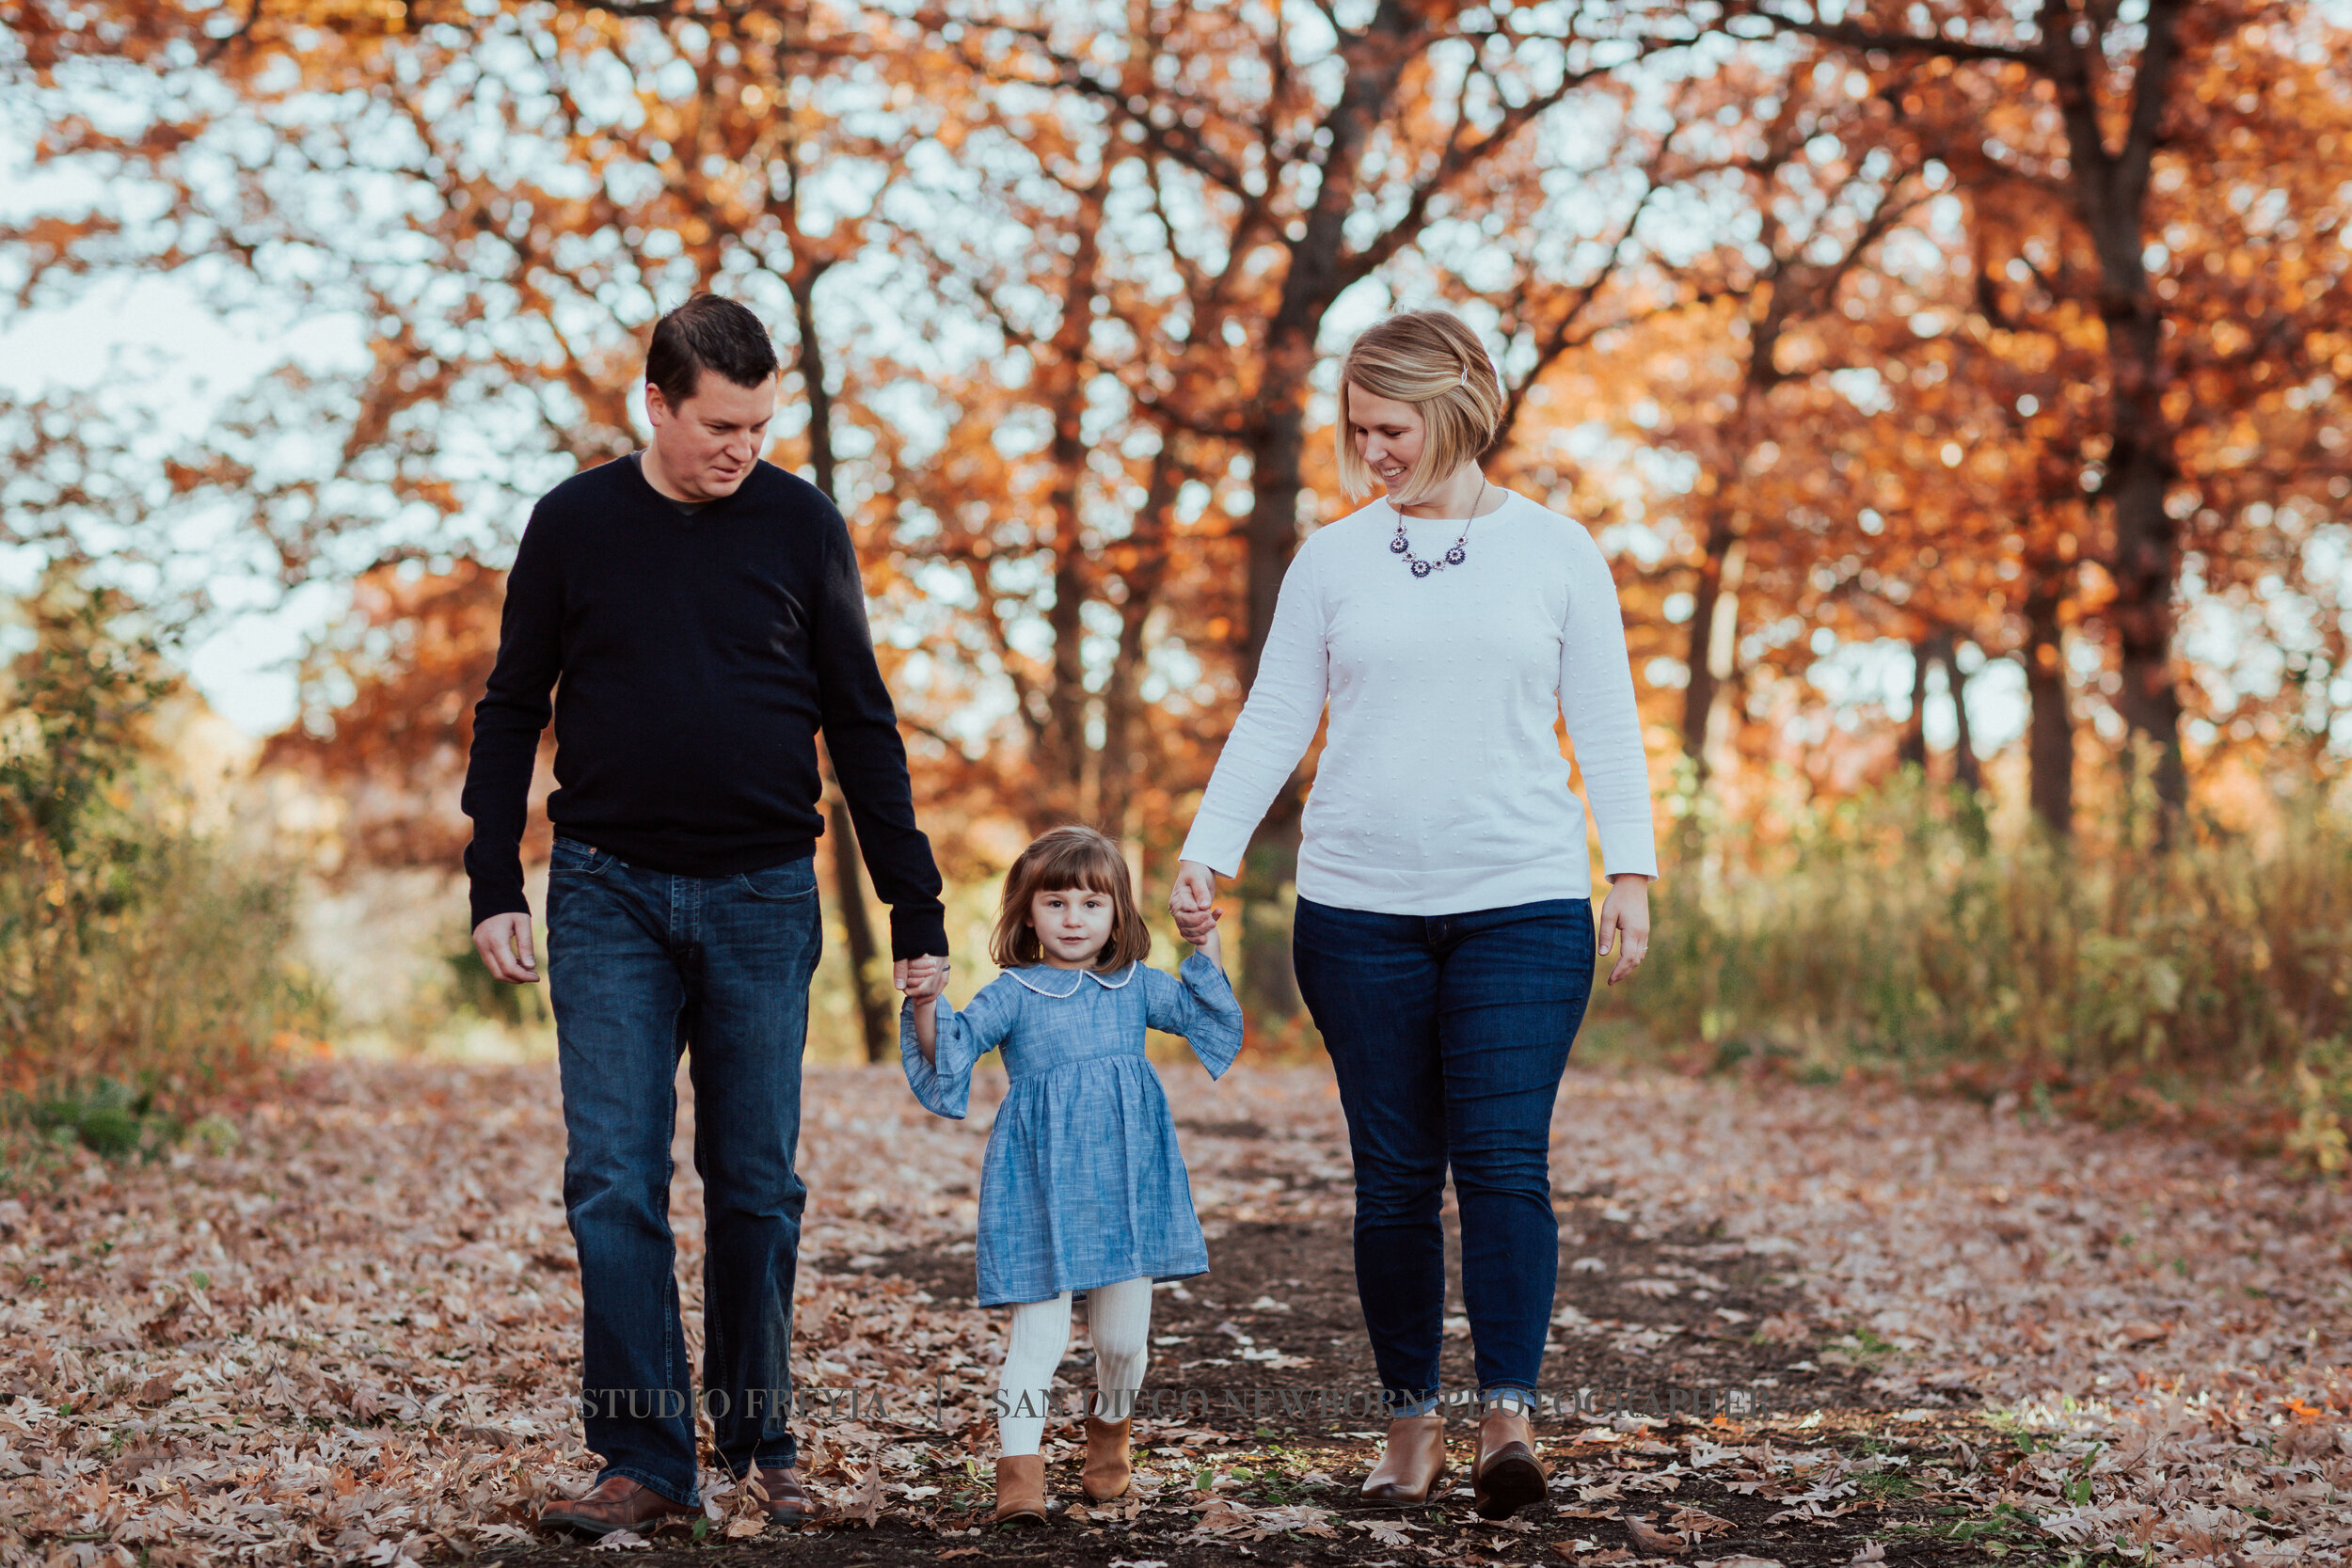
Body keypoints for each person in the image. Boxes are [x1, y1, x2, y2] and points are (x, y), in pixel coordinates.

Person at [460, 293, 952, 1537]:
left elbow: (862, 718)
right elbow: (512, 703)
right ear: (658, 405)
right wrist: (493, 878)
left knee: (754, 1183)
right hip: (605, 886)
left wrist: (916, 903)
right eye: (722, 424)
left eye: (761, 424)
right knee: (612, 1178)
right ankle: (642, 1453)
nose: (744, 447)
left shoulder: (800, 524)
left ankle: (760, 1433)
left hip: (763, 891)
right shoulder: (573, 523)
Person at [1168, 307, 1658, 1520]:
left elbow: (1605, 723)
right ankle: (1407, 1423)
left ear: (1456, 409)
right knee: (1391, 1177)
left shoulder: (1558, 552)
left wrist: (1631, 871)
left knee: (1500, 1160)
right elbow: (1276, 715)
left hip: (1523, 904)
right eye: (1357, 431)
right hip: (1359, 911)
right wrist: (1207, 850)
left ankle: (1506, 1416)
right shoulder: (1330, 559)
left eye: (1390, 427)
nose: (1372, 450)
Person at [899, 826, 1243, 1525]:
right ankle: (1018, 1477)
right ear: (1028, 913)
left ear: (1118, 913)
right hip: (1038, 1183)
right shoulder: (1014, 992)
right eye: (1055, 903)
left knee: (1121, 1342)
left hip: (1127, 1182)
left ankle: (1109, 1432)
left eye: (1091, 903)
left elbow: (1208, 1014)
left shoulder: (1134, 986)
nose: (1073, 918)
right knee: (1040, 1339)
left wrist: (1203, 939)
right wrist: (927, 999)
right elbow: (950, 1053)